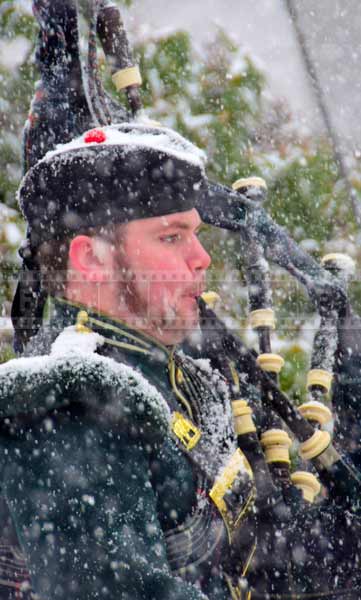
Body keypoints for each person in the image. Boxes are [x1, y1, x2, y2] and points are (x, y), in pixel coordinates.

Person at [1, 120, 361, 600]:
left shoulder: (176, 375)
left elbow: (261, 556)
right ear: (91, 259)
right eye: (171, 237)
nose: (202, 258)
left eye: (196, 234)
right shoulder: (69, 402)